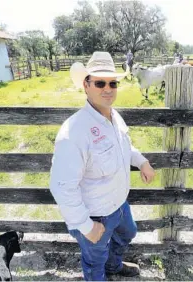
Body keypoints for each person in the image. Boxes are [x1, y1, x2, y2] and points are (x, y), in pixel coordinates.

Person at [49, 51, 155, 281]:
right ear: (86, 85)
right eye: (100, 82)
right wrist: (86, 226)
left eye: (112, 83)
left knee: (128, 233)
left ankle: (114, 266)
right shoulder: (74, 132)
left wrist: (141, 161)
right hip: (96, 214)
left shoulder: (114, 117)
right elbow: (61, 186)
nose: (108, 88)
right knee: (94, 260)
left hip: (118, 204)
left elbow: (123, 147)